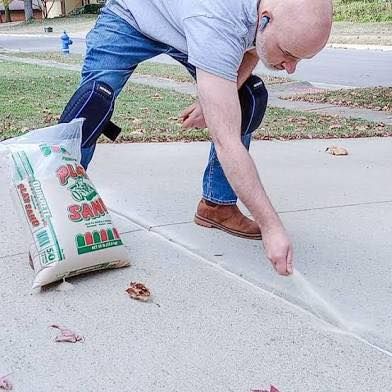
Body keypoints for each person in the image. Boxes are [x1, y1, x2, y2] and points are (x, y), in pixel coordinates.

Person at [59, 0, 333, 276]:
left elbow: (251, 46)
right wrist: (272, 227)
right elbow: (227, 142)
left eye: (300, 58)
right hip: (131, 15)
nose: (291, 69)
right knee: (92, 103)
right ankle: (58, 212)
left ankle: (217, 206)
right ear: (264, 19)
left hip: (190, 17)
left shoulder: (267, 17)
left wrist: (213, 98)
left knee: (247, 97)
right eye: (288, 54)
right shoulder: (216, 20)